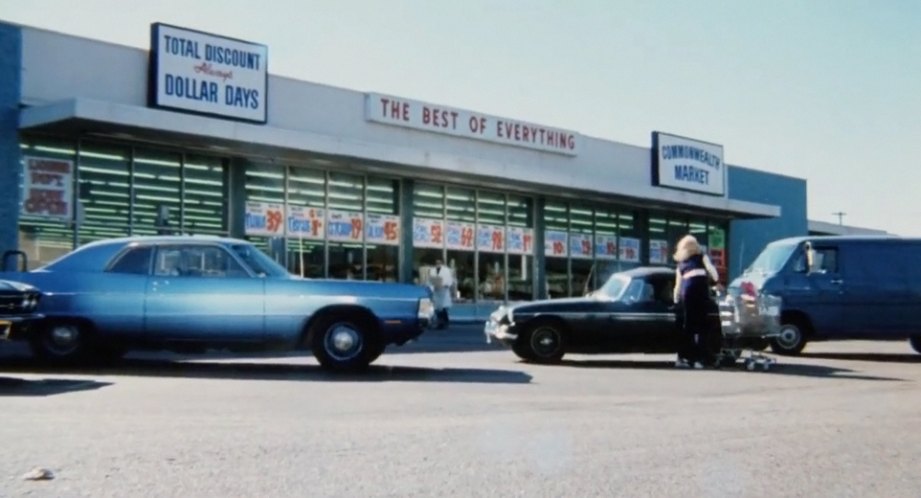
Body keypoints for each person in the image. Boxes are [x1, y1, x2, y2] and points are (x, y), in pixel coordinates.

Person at [672, 234, 720, 369]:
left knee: (688, 327)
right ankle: (700, 359)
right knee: (702, 327)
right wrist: (715, 281)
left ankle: (684, 358)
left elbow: (678, 285)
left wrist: (676, 301)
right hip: (701, 292)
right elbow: (712, 271)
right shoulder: (702, 257)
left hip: (686, 294)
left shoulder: (681, 264)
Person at [428, 259, 455, 329]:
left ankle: (445, 322)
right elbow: (430, 280)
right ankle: (440, 323)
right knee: (437, 309)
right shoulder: (432, 270)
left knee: (443, 308)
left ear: (442, 263)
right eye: (436, 262)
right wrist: (432, 286)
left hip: (444, 290)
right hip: (436, 291)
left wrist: (446, 285)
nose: (438, 264)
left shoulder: (446, 270)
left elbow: (450, 280)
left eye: (439, 262)